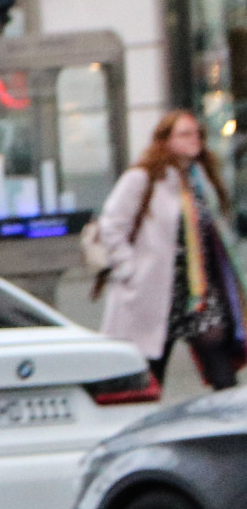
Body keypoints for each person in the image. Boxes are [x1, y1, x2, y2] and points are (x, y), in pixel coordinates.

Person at [96, 109, 244, 392]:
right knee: (151, 375)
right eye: (185, 134)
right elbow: (111, 225)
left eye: (197, 133)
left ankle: (232, 429)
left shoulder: (202, 180)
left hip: (198, 293)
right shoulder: (144, 177)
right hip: (154, 291)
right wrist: (129, 269)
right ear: (165, 140)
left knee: (222, 368)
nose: (194, 139)